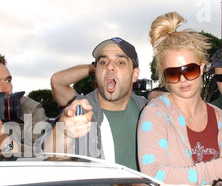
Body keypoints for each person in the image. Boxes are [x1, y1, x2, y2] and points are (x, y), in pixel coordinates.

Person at [137, 12, 222, 185]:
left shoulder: (220, 118)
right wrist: (217, 168)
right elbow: (153, 175)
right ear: (164, 77)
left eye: (190, 70)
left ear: (201, 68)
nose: (183, 79)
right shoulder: (155, 113)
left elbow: (217, 181)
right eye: (173, 73)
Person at [44, 37, 147, 170]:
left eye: (120, 62)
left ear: (134, 74)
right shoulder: (80, 112)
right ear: (96, 70)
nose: (110, 66)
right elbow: (53, 156)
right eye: (103, 62)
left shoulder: (149, 110)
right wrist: (63, 134)